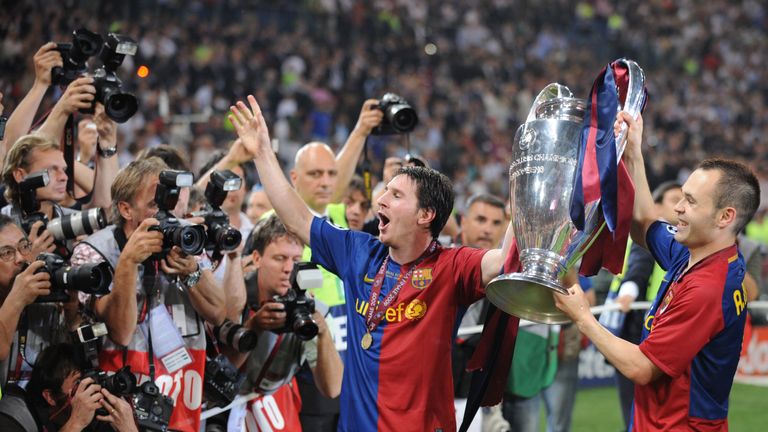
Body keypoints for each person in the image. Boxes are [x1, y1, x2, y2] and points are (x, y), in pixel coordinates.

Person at [230, 95, 514, 431]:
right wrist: (262, 152)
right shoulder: (358, 252)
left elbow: (503, 260)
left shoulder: (451, 267)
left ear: (425, 215)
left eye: (396, 195)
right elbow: (296, 218)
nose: (380, 199)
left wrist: (527, 192)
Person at [554, 111, 760, 431]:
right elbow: (645, 224)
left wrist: (583, 317)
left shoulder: (708, 288)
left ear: (725, 217)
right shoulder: (698, 252)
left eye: (690, 201)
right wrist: (635, 153)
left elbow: (642, 367)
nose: (677, 208)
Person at [69, 157, 225, 432]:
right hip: (119, 407)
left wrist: (191, 272)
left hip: (181, 403)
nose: (168, 213)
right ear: (126, 209)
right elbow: (121, 332)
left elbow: (218, 312)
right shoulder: (92, 251)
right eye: (155, 204)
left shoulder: (186, 240)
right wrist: (127, 263)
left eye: (170, 202)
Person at [227, 215, 343, 431]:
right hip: (223, 406)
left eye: (296, 260)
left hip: (276, 400)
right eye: (280, 258)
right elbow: (222, 368)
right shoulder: (235, 296)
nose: (289, 268)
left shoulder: (308, 308)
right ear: (256, 258)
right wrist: (255, 328)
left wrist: (322, 332)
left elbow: (332, 388)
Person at [604, 180, 682, 430]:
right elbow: (638, 266)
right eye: (674, 200)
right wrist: (628, 291)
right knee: (637, 411)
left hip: (658, 331)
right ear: (655, 207)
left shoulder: (679, 241)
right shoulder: (653, 239)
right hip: (637, 331)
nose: (681, 207)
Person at [0, 343, 137, 432]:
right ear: (51, 396)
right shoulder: (14, 418)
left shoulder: (95, 421)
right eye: (78, 383)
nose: (89, 389)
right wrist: (75, 423)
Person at [0, 215, 55, 387]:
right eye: (7, 253)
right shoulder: (21, 295)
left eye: (24, 246)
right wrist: (17, 299)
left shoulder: (39, 297)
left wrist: (71, 311)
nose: (21, 259)